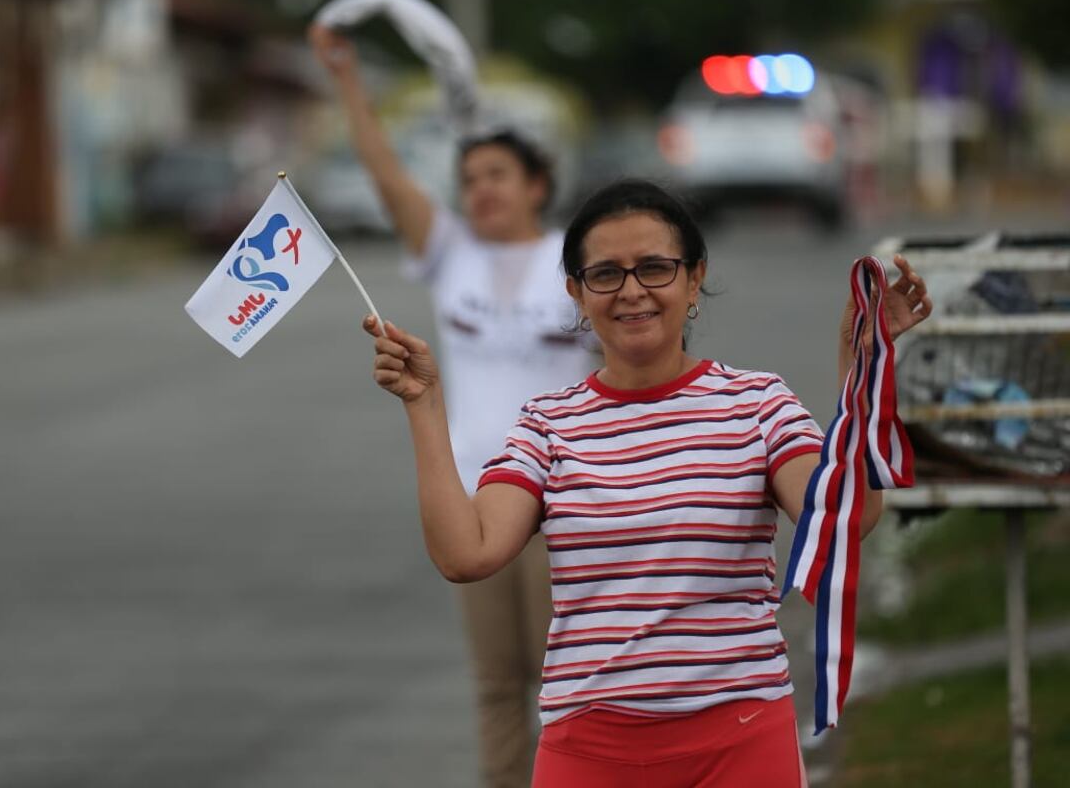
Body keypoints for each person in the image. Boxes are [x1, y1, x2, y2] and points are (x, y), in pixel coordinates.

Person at [362, 179, 932, 787]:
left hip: (739, 743)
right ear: (576, 295)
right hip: (587, 751)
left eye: (655, 268)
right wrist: (424, 406)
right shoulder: (547, 424)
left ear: (693, 279)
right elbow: (466, 552)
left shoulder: (757, 402)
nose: (632, 291)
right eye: (605, 274)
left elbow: (845, 517)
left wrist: (861, 372)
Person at [310, 25, 597, 788]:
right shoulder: (452, 257)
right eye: (469, 180)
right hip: (475, 495)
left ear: (538, 183)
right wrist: (346, 82)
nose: (481, 192)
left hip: (562, 500)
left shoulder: (579, 261)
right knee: (499, 684)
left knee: (569, 688)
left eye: (498, 174)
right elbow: (385, 173)